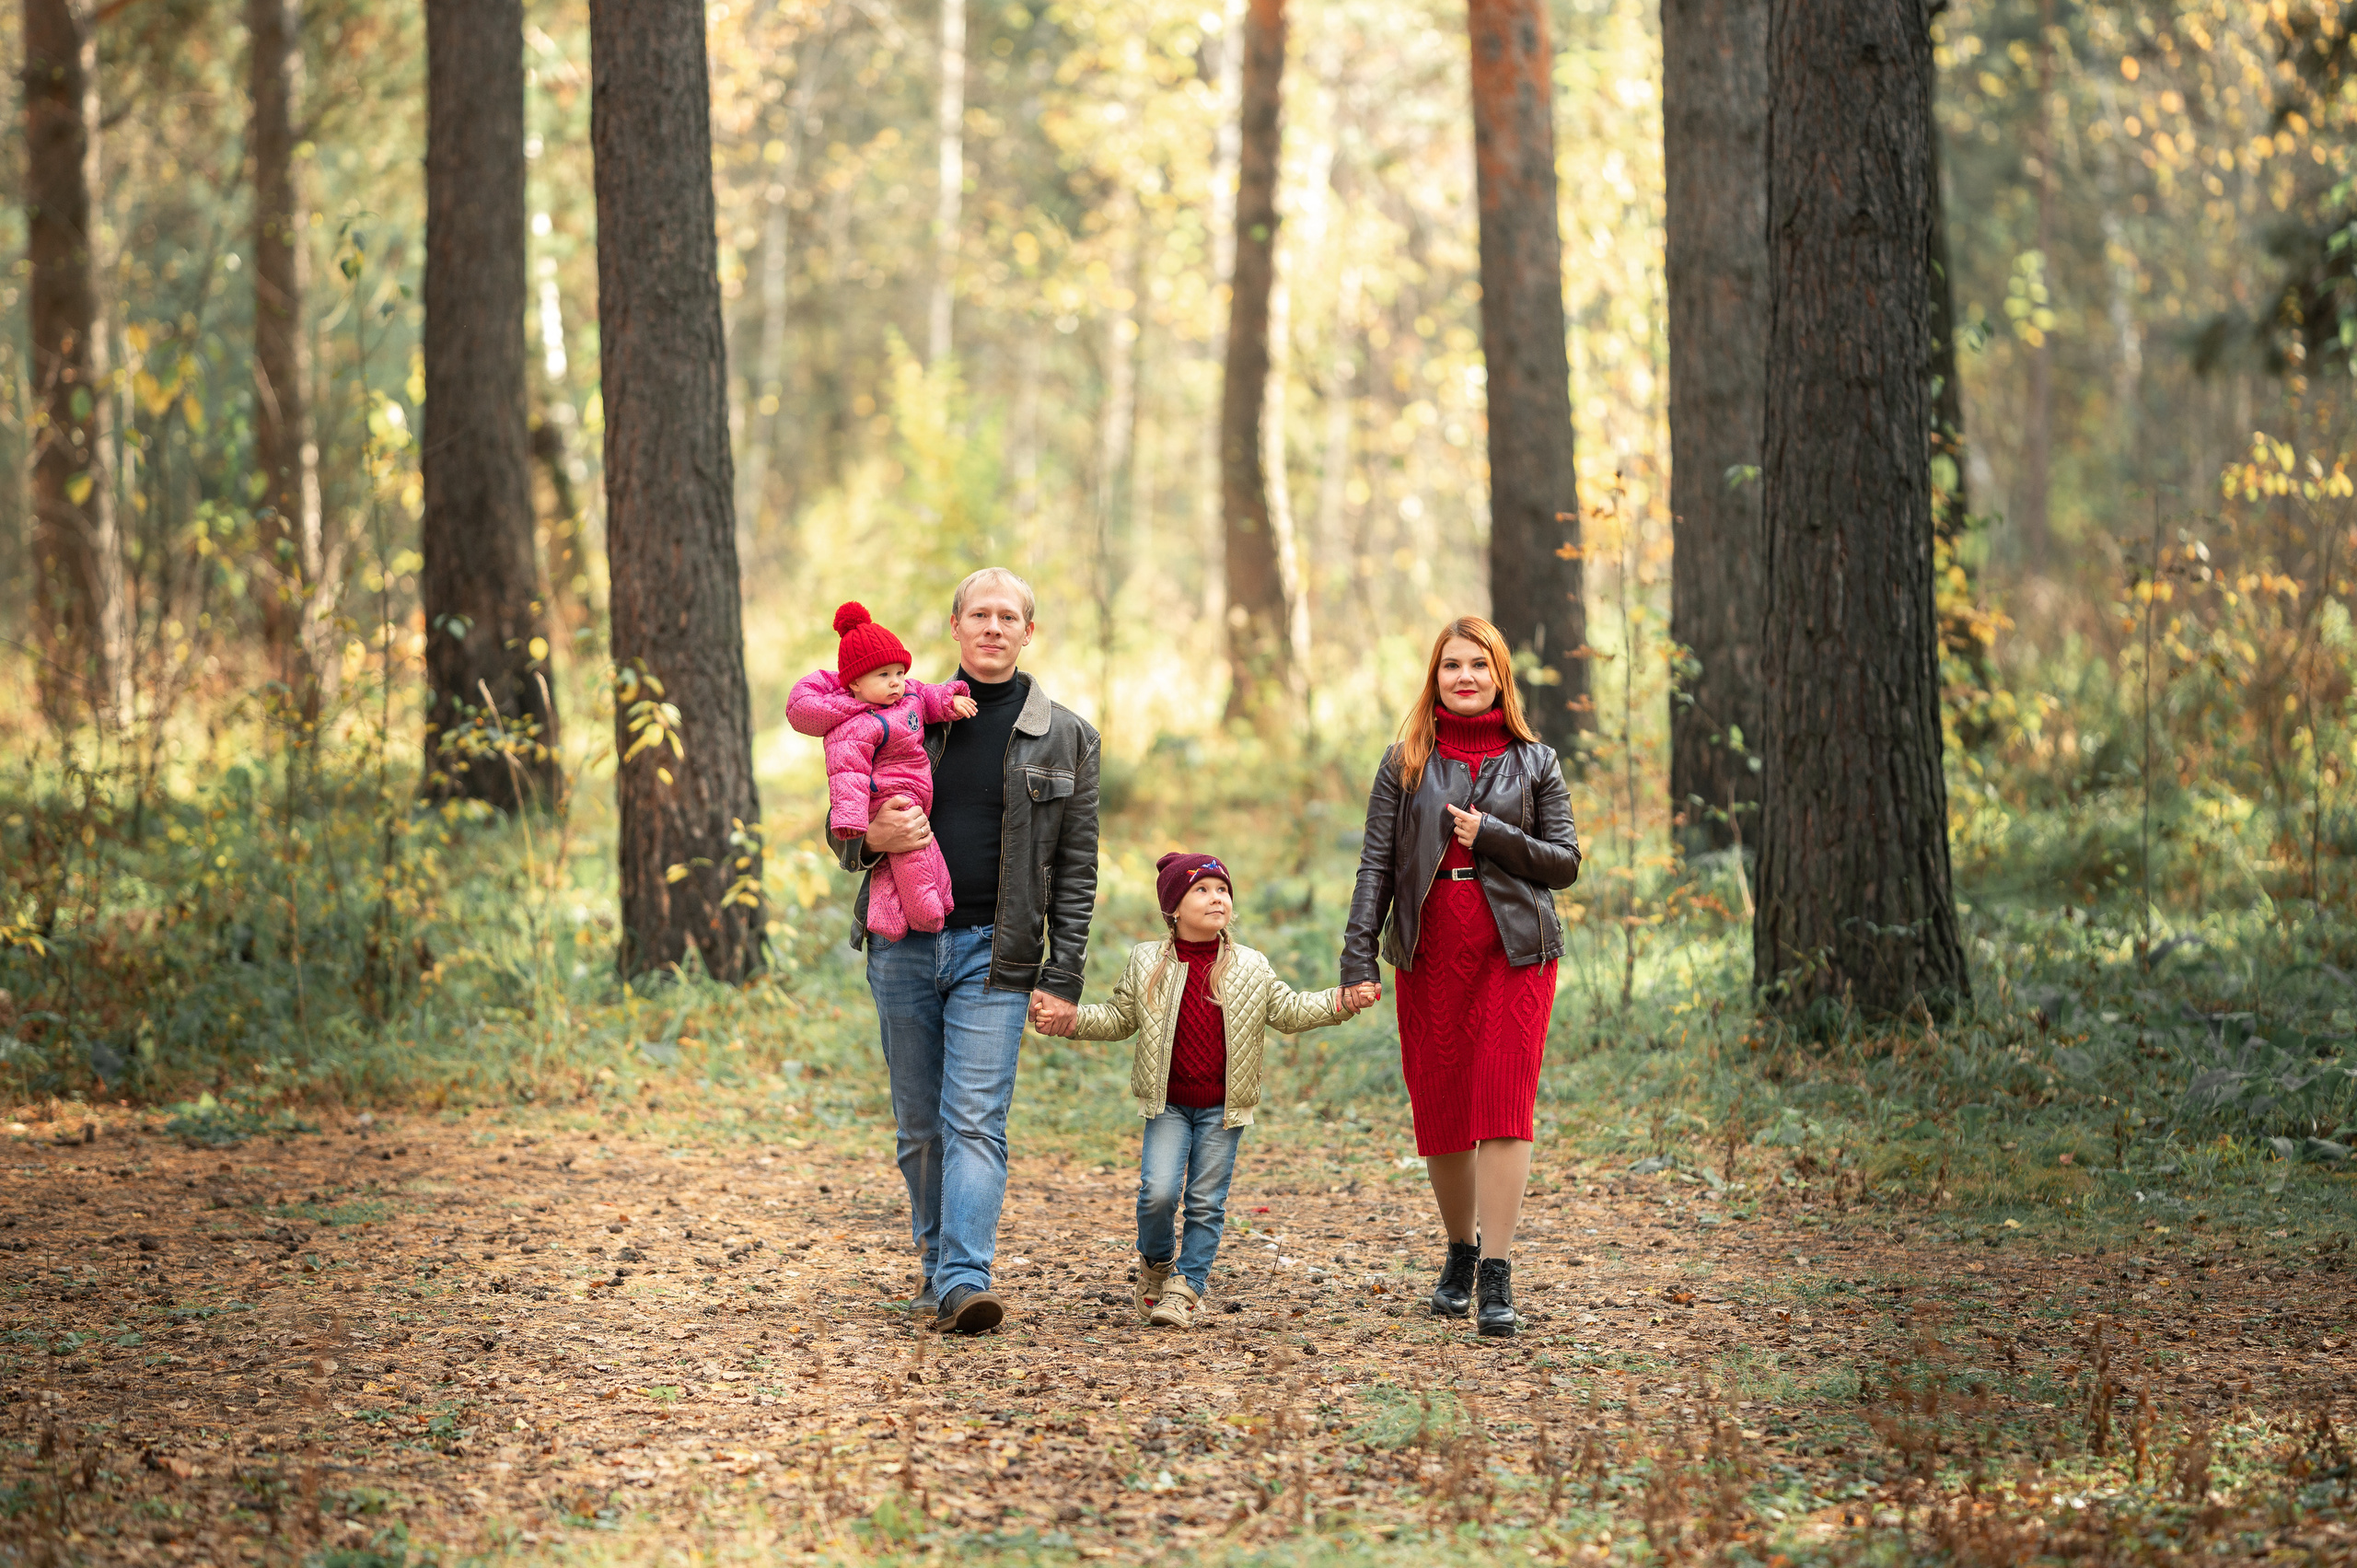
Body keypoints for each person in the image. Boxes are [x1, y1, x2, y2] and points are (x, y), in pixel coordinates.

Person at [830, 567, 1099, 1334]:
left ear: (1028, 632)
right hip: (903, 944)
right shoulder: (903, 712)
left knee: (976, 1120)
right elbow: (843, 813)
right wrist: (866, 841)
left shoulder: (1068, 735)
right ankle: (933, 1264)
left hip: (997, 952)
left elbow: (1077, 869)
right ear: (953, 628)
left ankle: (963, 1278)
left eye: (1007, 616)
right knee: (920, 1124)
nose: (992, 627)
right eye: (977, 614)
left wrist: (1064, 975)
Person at [1340, 616, 1581, 1338]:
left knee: (1504, 1104)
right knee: (1443, 1110)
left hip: (1515, 951)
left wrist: (1494, 835)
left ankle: (1498, 1275)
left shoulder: (1537, 760)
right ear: (1435, 676)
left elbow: (1564, 862)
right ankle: (1460, 1250)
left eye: (1480, 664)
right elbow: (1375, 866)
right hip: (1431, 949)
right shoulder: (1406, 761)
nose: (1466, 676)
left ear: (1500, 676)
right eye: (1452, 665)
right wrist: (1358, 957)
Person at [1041, 853, 1359, 1329]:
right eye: (1202, 890)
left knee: (1207, 1203)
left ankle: (1187, 1287)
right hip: (1167, 1103)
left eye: (1223, 890)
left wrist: (1339, 1000)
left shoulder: (1250, 965)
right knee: (1158, 1193)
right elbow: (1118, 1018)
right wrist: (1069, 1020)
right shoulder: (1147, 960)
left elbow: (1290, 1011)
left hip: (1222, 1109)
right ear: (1174, 907)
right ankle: (1156, 1264)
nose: (1217, 899)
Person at [786, 602, 976, 941]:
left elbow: (930, 695)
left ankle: (892, 917)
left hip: (915, 790)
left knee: (909, 857)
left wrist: (952, 701)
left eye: (900, 673)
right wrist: (853, 822)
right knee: (911, 852)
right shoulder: (856, 724)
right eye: (884, 676)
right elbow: (847, 774)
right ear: (855, 683)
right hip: (890, 797)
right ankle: (927, 913)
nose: (896, 683)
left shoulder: (909, 696)